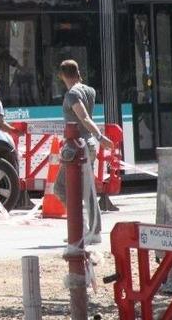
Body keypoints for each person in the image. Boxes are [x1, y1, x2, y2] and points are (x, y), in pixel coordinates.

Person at [53, 60, 114, 245]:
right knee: (88, 190)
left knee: (60, 188)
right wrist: (97, 138)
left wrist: (100, 136)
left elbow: (84, 118)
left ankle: (82, 228)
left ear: (62, 75)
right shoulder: (90, 91)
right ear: (78, 72)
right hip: (88, 145)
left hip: (77, 146)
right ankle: (91, 230)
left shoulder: (72, 94)